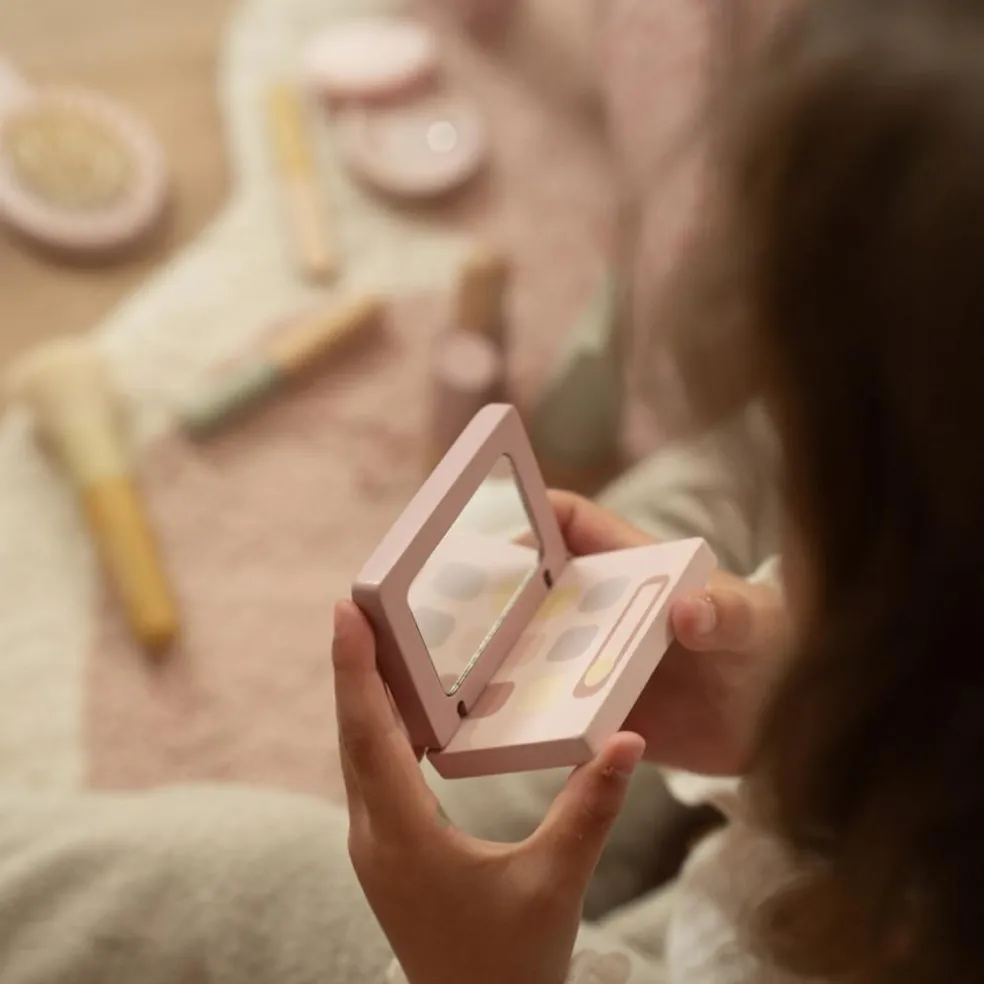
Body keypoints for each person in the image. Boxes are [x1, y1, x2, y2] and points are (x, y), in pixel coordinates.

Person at [334, 0, 984, 982]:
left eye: (803, 481)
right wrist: (793, 709)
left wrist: (476, 970)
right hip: (813, 810)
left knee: (211, 873)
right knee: (653, 553)